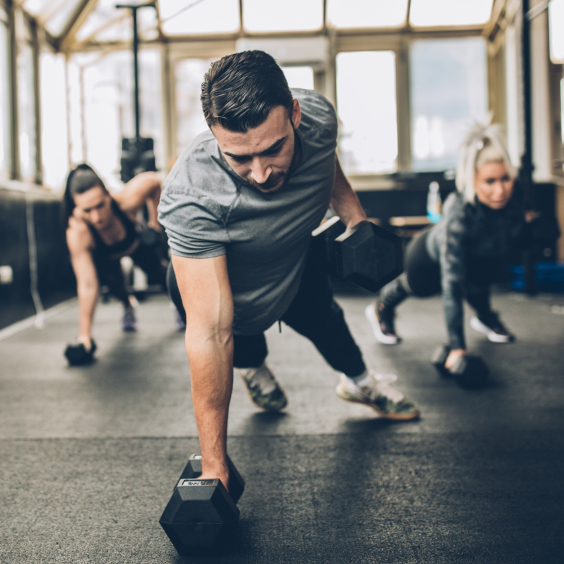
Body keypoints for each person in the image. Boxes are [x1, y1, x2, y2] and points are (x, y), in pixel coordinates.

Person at [158, 50, 420, 489]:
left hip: (293, 258)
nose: (260, 173)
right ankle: (254, 370)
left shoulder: (318, 115)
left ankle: (359, 382)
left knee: (326, 318)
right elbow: (209, 334)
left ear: (294, 115)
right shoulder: (192, 195)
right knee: (232, 332)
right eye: (239, 158)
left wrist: (353, 215)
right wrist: (214, 467)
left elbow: (322, 159)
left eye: (273, 149)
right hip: (227, 281)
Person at [365, 123, 529, 371]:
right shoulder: (460, 213)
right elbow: (452, 285)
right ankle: (381, 309)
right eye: (490, 181)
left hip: (474, 257)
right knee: (419, 286)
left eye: (505, 179)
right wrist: (457, 347)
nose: (500, 190)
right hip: (425, 257)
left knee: (481, 272)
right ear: (473, 181)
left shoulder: (513, 202)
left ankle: (484, 317)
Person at [64, 164, 173, 357]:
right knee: (117, 289)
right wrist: (84, 336)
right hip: (107, 259)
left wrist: (155, 225)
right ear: (77, 207)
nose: (96, 217)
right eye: (87, 210)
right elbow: (88, 285)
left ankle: (179, 307)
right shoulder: (78, 232)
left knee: (164, 275)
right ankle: (128, 305)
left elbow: (154, 182)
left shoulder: (126, 201)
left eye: (100, 205)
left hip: (136, 244)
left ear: (108, 195)